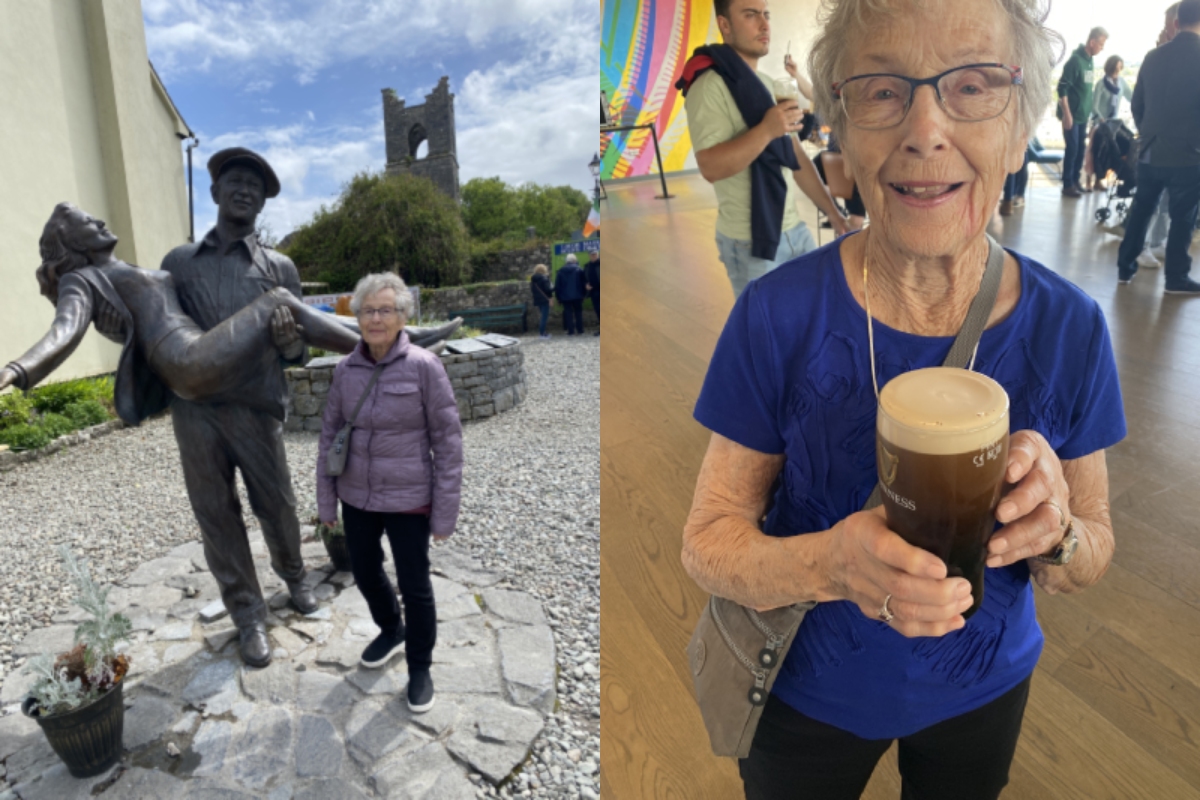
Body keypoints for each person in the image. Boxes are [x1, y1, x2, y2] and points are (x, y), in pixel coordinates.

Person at [682, 1, 1126, 797]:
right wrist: (828, 564)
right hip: (804, 692)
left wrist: (1056, 532)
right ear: (842, 131)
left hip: (987, 686)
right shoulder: (776, 314)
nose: (925, 130)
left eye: (974, 86)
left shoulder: (1071, 327)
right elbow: (706, 543)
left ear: (1020, 130)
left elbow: (1091, 549)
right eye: (883, 90)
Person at [158, 147, 322, 668]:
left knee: (278, 503)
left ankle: (294, 575)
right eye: (235, 181)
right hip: (196, 412)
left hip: (256, 406)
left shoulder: (280, 267)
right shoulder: (178, 264)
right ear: (215, 191)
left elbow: (300, 351)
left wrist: (291, 343)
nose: (245, 190)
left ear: (264, 201)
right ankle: (248, 614)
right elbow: (159, 327)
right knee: (216, 515)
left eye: (255, 184)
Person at [0, 203, 361, 413]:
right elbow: (63, 331)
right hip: (185, 359)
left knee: (288, 310)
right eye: (88, 223)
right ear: (73, 241)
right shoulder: (80, 280)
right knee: (279, 300)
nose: (100, 222)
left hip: (192, 349)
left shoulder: (116, 271)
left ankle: (378, 332)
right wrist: (16, 370)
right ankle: (376, 347)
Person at [317, 272, 463, 713]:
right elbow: (329, 438)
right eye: (368, 310)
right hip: (357, 496)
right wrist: (326, 501)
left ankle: (420, 667)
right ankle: (391, 628)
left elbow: (448, 443)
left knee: (415, 585)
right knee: (364, 571)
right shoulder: (346, 370)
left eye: (385, 310)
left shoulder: (424, 366)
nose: (375, 319)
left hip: (408, 498)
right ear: (357, 317)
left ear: (402, 317)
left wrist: (444, 514)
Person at [679, 0, 850, 299]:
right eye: (750, 15)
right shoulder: (709, 86)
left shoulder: (768, 84)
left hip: (794, 230)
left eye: (766, 14)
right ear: (724, 25)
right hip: (750, 242)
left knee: (813, 311)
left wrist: (834, 214)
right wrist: (767, 130)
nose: (764, 24)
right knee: (764, 326)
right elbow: (710, 167)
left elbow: (796, 157)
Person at [1117, 0, 1200, 294]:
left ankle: (1125, 268)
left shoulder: (1152, 57)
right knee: (1182, 218)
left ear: (1176, 23)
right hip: (1189, 155)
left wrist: (1149, 133)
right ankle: (1176, 278)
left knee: (1142, 210)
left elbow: (1137, 103)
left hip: (1150, 150)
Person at [1057, 27, 1107, 198]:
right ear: (1092, 42)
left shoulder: (1090, 61)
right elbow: (1062, 88)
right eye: (1101, 44)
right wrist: (1066, 114)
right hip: (1072, 115)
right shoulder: (1075, 61)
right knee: (1072, 149)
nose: (1102, 48)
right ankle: (1067, 184)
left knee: (1080, 149)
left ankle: (1075, 181)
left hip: (1083, 115)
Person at [1084, 55, 1133, 192]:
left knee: (1110, 151)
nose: (1118, 71)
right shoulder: (1101, 84)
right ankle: (1089, 181)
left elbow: (1132, 97)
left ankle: (1100, 180)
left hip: (1113, 125)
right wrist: (1101, 119)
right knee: (1095, 151)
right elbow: (1094, 106)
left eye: (1120, 68)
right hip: (1099, 124)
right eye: (1116, 68)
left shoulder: (1122, 84)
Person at [554, 254, 587, 336]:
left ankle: (571, 331)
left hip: (565, 297)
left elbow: (558, 286)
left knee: (568, 314)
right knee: (578, 313)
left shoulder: (560, 271)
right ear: (574, 261)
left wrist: (558, 298)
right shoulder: (579, 269)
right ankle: (580, 330)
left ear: (566, 261)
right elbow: (583, 283)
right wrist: (584, 294)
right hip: (578, 295)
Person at [530, 263, 554, 339]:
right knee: (544, 317)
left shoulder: (533, 279)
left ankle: (543, 332)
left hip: (538, 300)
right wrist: (553, 289)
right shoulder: (544, 278)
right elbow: (548, 289)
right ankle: (542, 333)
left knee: (542, 316)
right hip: (545, 299)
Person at [584, 250, 601, 337]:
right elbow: (584, 279)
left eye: (595, 254)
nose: (594, 256)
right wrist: (586, 285)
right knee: (598, 310)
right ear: (589, 256)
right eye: (592, 255)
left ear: (598, 254)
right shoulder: (587, 266)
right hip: (594, 292)